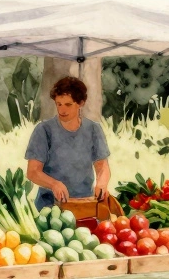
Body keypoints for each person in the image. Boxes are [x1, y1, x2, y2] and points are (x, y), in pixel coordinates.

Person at [25, 77, 111, 208]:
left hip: (85, 203)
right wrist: (54, 184)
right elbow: (32, 172)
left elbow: (102, 166)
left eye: (68, 104)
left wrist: (102, 183)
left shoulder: (93, 129)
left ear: (81, 103)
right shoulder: (44, 130)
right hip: (50, 206)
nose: (62, 110)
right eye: (59, 104)